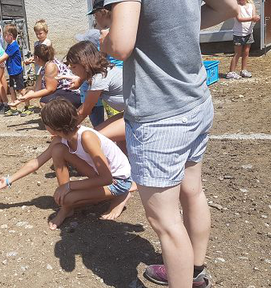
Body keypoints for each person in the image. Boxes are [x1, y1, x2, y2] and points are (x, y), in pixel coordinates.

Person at [101, 0, 238, 287]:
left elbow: (121, 45)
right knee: (193, 191)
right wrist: (174, 29)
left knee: (166, 222)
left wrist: (105, 37)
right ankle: (194, 272)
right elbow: (228, 7)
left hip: (159, 115)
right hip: (196, 100)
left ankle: (184, 276)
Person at [0, 98, 134, 229]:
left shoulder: (87, 137)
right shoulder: (60, 138)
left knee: (67, 199)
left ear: (53, 126)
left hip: (117, 180)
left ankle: (120, 195)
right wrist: (8, 180)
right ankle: (68, 207)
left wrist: (69, 186)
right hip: (97, 174)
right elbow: (36, 162)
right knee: (58, 150)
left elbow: (106, 178)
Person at [64, 41, 127, 154]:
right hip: (131, 113)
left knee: (93, 138)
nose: (72, 70)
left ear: (85, 64)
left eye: (74, 66)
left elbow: (84, 111)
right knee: (119, 142)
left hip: (140, 117)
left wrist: (64, 131)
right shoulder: (104, 71)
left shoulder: (99, 79)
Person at [13, 45, 81, 109]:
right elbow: (36, 90)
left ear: (37, 57)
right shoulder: (44, 67)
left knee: (46, 102)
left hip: (72, 92)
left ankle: (62, 117)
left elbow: (51, 89)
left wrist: (30, 96)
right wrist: (21, 99)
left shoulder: (50, 66)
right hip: (63, 91)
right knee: (45, 100)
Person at [0, 24, 27, 116]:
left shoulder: (13, 46)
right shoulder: (9, 45)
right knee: (12, 89)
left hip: (17, 71)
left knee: (21, 90)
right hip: (12, 71)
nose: (4, 37)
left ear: (11, 36)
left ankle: (27, 106)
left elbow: (5, 56)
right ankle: (14, 109)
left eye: (5, 35)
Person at [22, 19, 52, 117]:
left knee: (46, 88)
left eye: (40, 33)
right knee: (40, 87)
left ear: (46, 32)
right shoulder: (36, 44)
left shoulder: (47, 42)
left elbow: (44, 57)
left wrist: (33, 60)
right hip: (38, 67)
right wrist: (30, 60)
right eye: (37, 34)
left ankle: (48, 108)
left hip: (46, 68)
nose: (39, 35)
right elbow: (36, 56)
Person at [227, 0, 260, 79]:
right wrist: (252, 18)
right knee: (237, 53)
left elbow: (254, 15)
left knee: (246, 52)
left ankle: (243, 70)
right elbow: (239, 19)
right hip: (238, 33)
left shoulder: (251, 5)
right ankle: (231, 72)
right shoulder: (237, 6)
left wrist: (256, 17)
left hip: (249, 32)